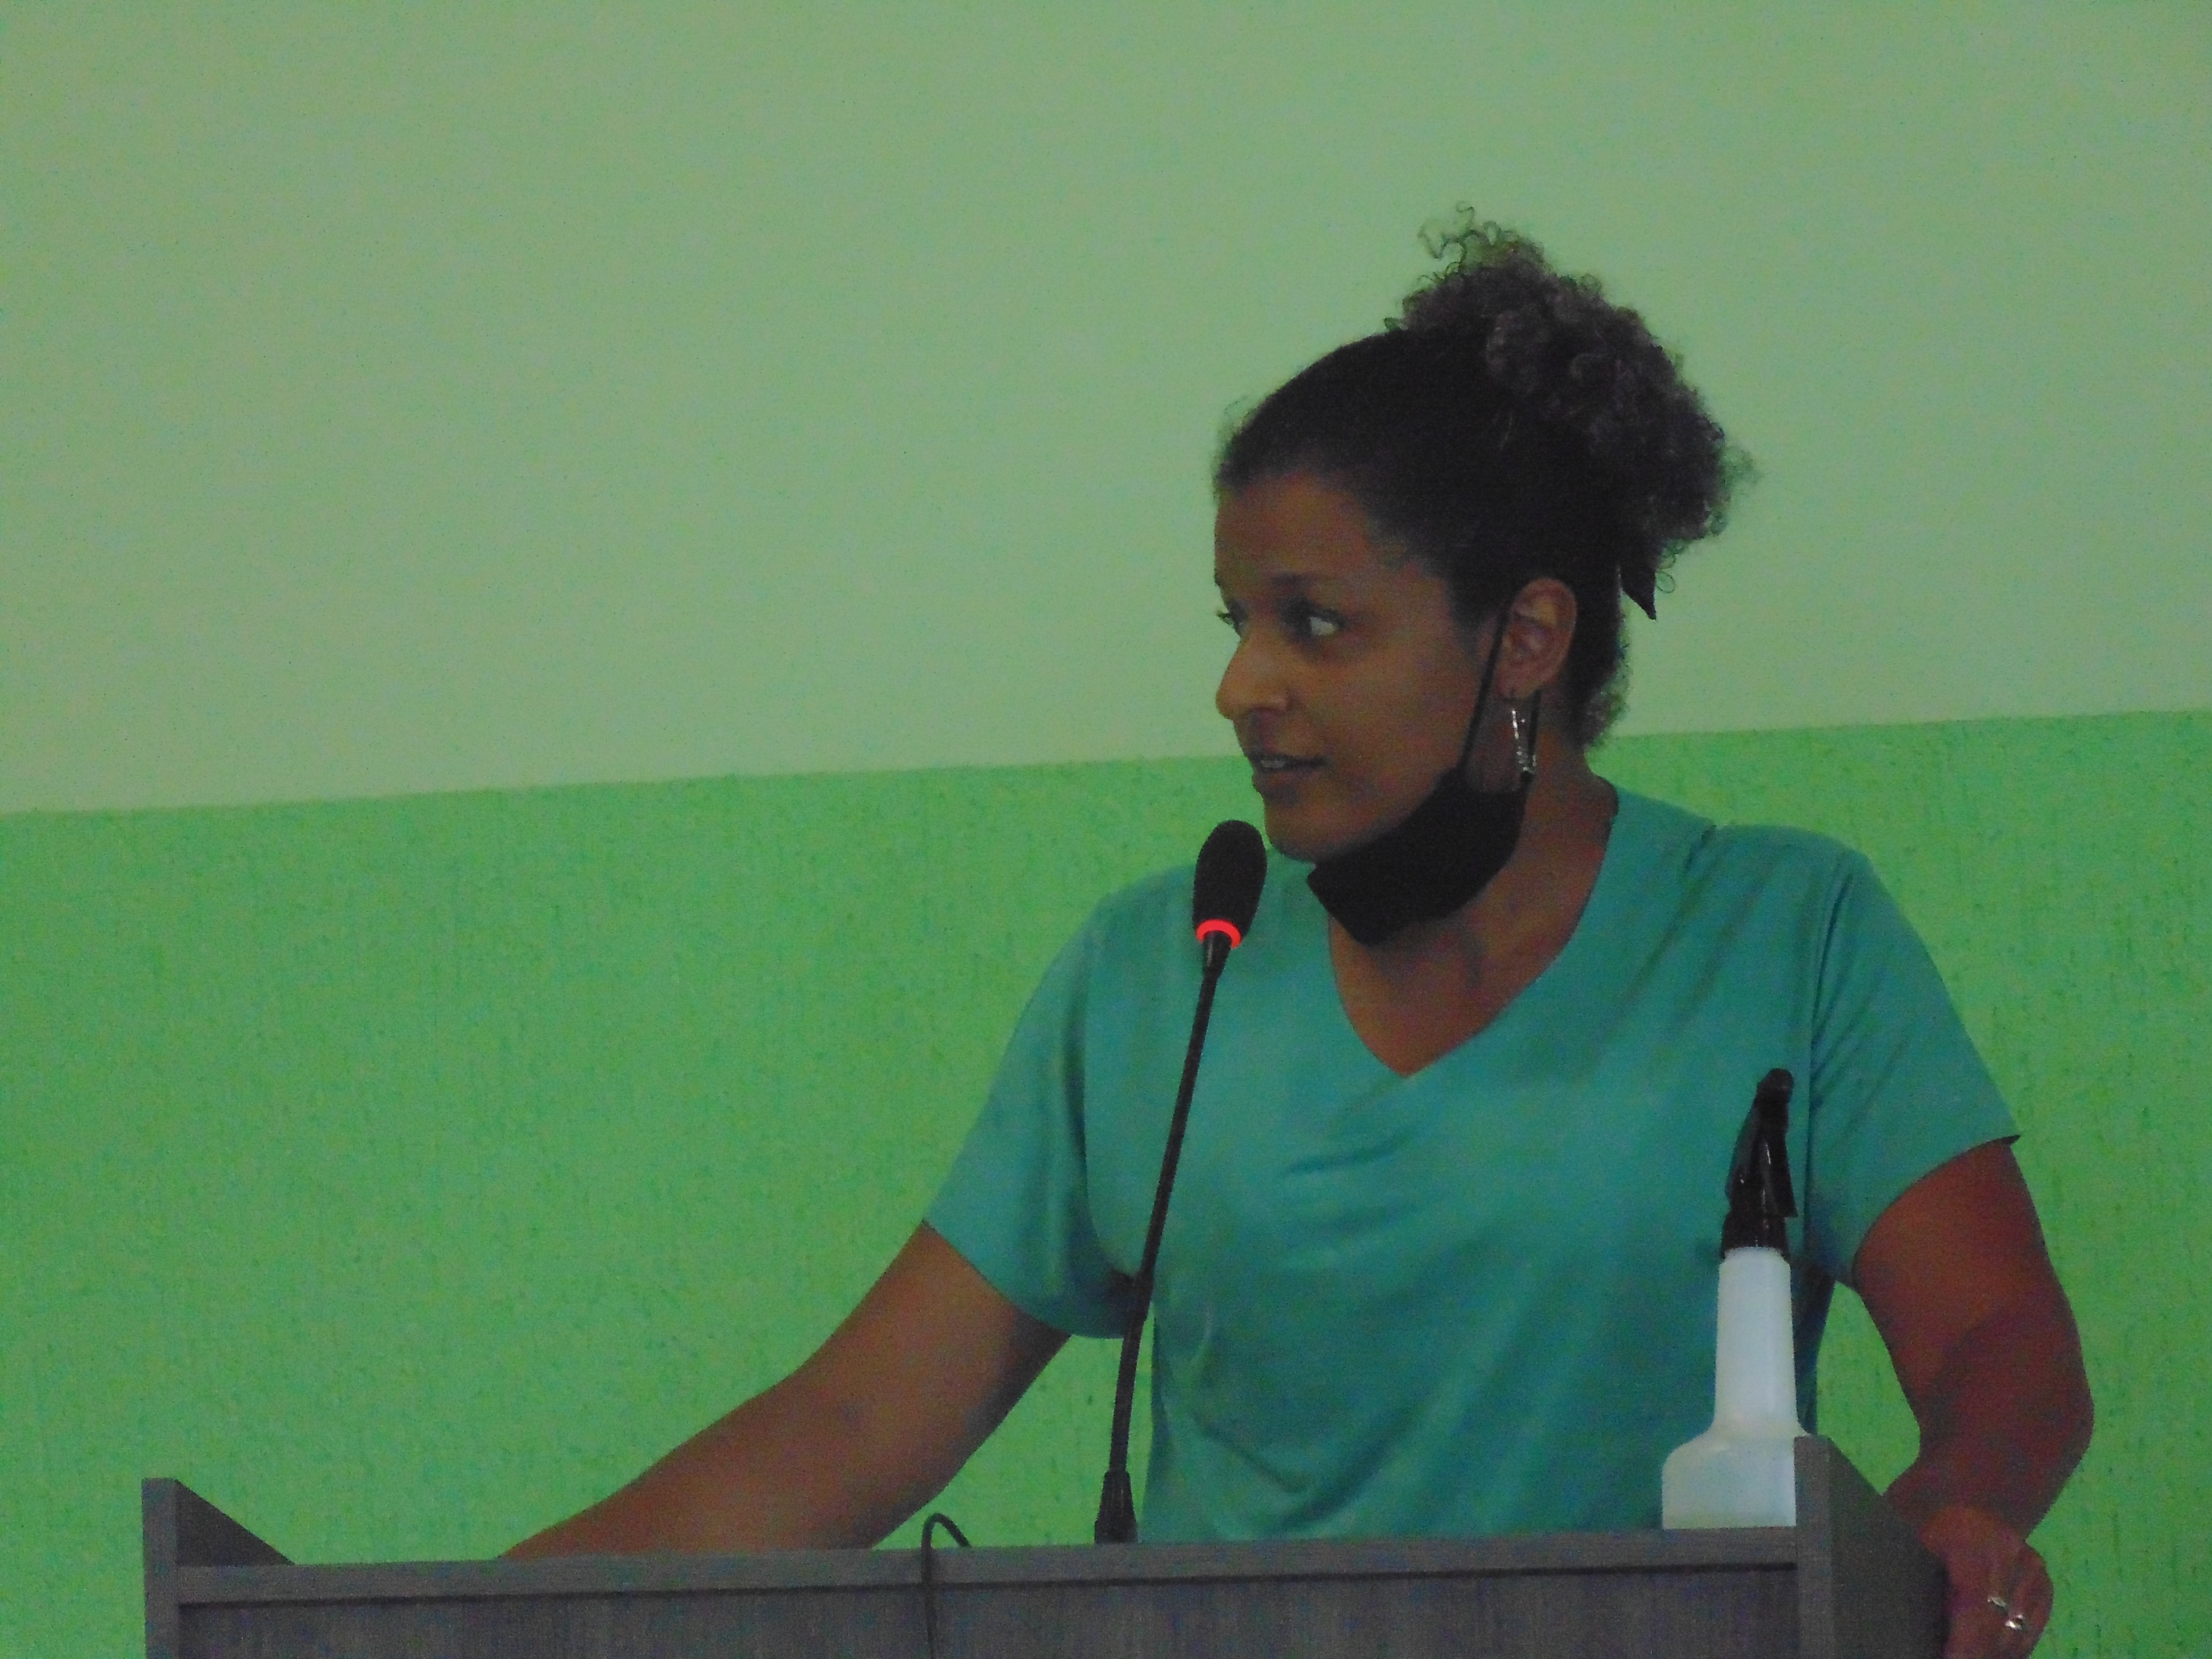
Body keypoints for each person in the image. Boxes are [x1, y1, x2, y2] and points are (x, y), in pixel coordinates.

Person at [510, 217, 2092, 1659]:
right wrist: (460, 1623)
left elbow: (2004, 1346)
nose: (1241, 687)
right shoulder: (1157, 974)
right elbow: (853, 1429)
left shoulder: (1783, 935)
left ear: (1525, 640)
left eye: (1315, 624)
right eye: (1237, 624)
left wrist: (1946, 1519)